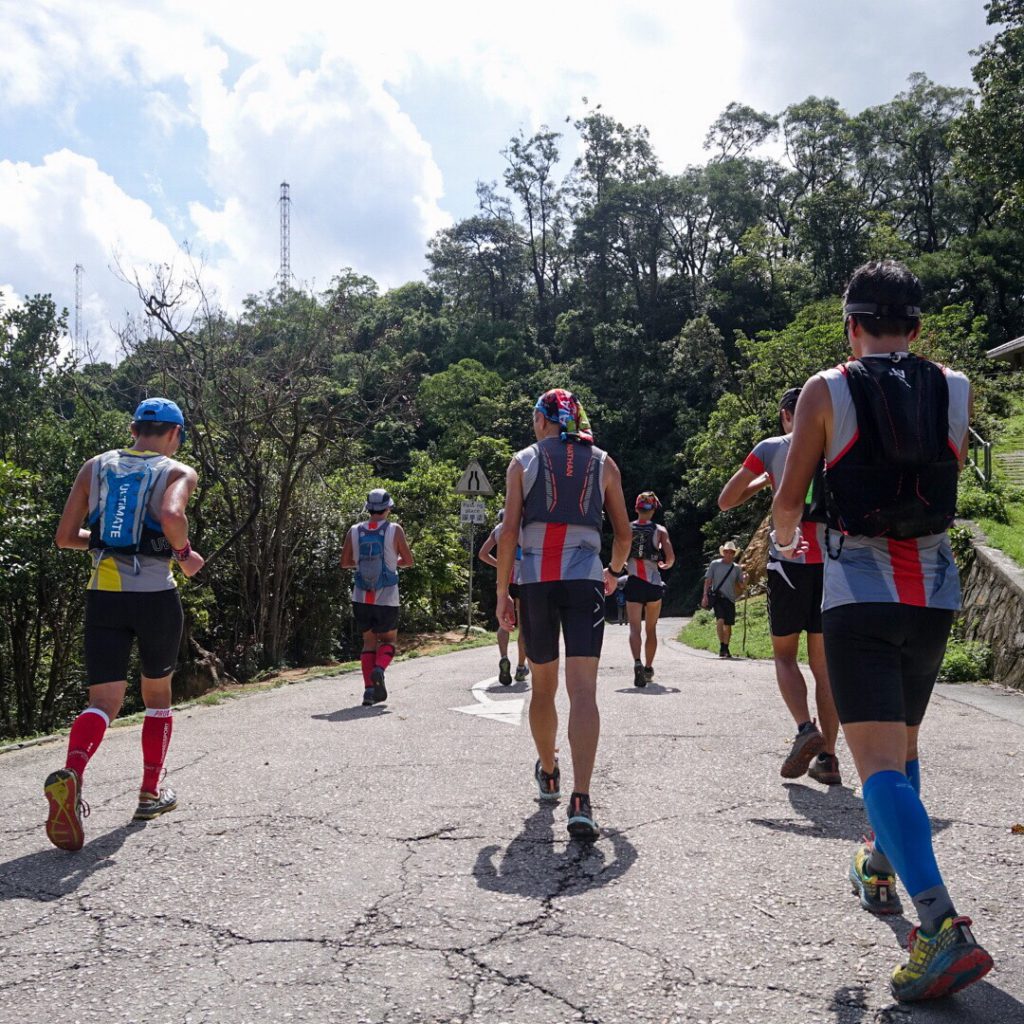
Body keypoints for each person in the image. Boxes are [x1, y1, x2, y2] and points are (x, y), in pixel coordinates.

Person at [773, 260, 992, 1001]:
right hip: (935, 591)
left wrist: (782, 542)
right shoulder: (955, 386)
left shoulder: (826, 389)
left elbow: (789, 498)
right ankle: (879, 866)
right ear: (918, 328)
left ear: (850, 324)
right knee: (902, 747)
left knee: (878, 767)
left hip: (858, 592)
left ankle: (939, 928)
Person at [46, 398, 204, 851]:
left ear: (134, 428)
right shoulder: (176, 470)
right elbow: (172, 516)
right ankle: (150, 793)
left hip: (104, 597)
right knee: (156, 695)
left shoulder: (94, 467)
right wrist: (183, 554)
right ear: (174, 434)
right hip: (155, 599)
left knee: (103, 701)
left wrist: (108, 546)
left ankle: (72, 771)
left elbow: (65, 537)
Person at [496, 389, 630, 841]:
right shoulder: (604, 462)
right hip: (585, 581)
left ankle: (550, 771)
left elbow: (509, 531)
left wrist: (503, 594)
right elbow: (625, 534)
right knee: (584, 691)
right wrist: (611, 572)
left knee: (543, 688)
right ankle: (582, 799)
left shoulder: (522, 461)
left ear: (541, 419)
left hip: (535, 582)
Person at [718, 389, 841, 785]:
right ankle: (829, 759)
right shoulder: (838, 445)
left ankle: (805, 728)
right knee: (824, 667)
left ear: (789, 414)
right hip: (832, 563)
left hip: (788, 563)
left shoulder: (773, 447)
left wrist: (765, 480)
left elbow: (725, 500)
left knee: (785, 656)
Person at [340, 489, 414, 707]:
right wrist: (392, 563)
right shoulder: (394, 530)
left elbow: (344, 563)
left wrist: (363, 565)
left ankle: (368, 692)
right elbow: (408, 560)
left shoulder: (354, 530)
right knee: (389, 641)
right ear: (388, 508)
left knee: (368, 642)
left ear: (368, 508)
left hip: (361, 596)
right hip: (387, 597)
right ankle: (379, 669)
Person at [625, 491, 675, 687]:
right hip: (653, 584)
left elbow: (619, 554)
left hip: (634, 583)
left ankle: (637, 662)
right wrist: (665, 564)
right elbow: (670, 557)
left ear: (637, 508)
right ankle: (648, 667)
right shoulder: (660, 530)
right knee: (651, 629)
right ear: (654, 509)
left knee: (634, 628)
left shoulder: (627, 528)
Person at [478, 510, 529, 685]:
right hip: (524, 580)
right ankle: (521, 668)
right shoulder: (524, 529)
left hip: (504, 581)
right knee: (523, 626)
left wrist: (500, 564)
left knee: (504, 623)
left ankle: (504, 657)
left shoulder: (498, 530)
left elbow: (482, 554)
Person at [701, 541, 745, 658]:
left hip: (730, 599)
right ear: (723, 552)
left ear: (734, 553)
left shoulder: (736, 568)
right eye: (726, 551)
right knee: (720, 620)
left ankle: (725, 647)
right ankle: (722, 646)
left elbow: (741, 585)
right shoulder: (715, 564)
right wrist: (705, 595)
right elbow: (708, 581)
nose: (729, 554)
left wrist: (745, 579)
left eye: (731, 552)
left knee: (728, 625)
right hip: (718, 597)